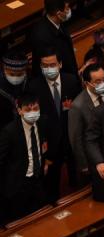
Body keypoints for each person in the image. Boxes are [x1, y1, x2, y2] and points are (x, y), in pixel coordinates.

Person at [26, 47, 81, 203]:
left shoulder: (71, 81)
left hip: (70, 137)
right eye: (45, 65)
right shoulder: (33, 87)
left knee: (75, 179)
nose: (49, 68)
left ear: (60, 64)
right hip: (50, 143)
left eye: (52, 64)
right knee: (52, 184)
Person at [0, 94, 49, 224]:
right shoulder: (9, 131)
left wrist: (45, 162)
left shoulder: (43, 122)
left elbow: (44, 144)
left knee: (40, 218)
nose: (33, 113)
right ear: (19, 110)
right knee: (19, 222)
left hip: (38, 179)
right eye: (28, 110)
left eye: (36, 108)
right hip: (18, 184)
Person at [68, 63, 104, 187]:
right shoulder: (78, 106)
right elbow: (76, 139)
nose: (103, 83)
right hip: (92, 160)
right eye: (97, 81)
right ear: (87, 83)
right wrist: (84, 165)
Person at [28, 0, 78, 77]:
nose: (69, 10)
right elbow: (51, 66)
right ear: (58, 14)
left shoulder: (56, 22)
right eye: (67, 8)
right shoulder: (41, 36)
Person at [0, 51, 28, 129]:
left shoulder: (29, 84)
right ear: (4, 70)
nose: (15, 78)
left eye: (19, 74)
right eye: (11, 74)